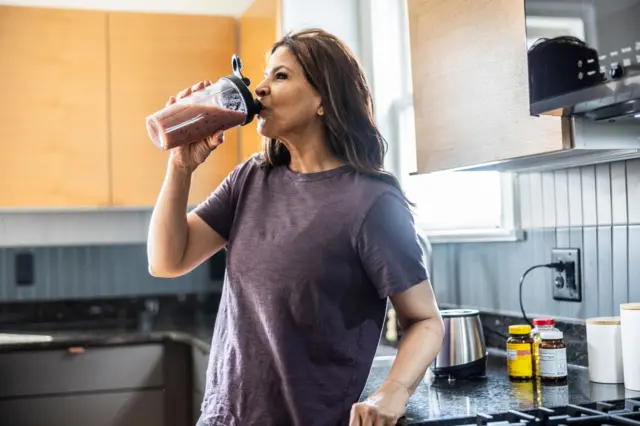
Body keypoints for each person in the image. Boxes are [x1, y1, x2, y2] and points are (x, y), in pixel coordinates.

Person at [147, 28, 444, 426]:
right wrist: (180, 166)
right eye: (264, 77)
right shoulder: (250, 179)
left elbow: (425, 320)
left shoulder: (371, 202)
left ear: (324, 98)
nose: (261, 91)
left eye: (280, 76)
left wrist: (393, 391)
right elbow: (167, 260)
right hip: (223, 418)